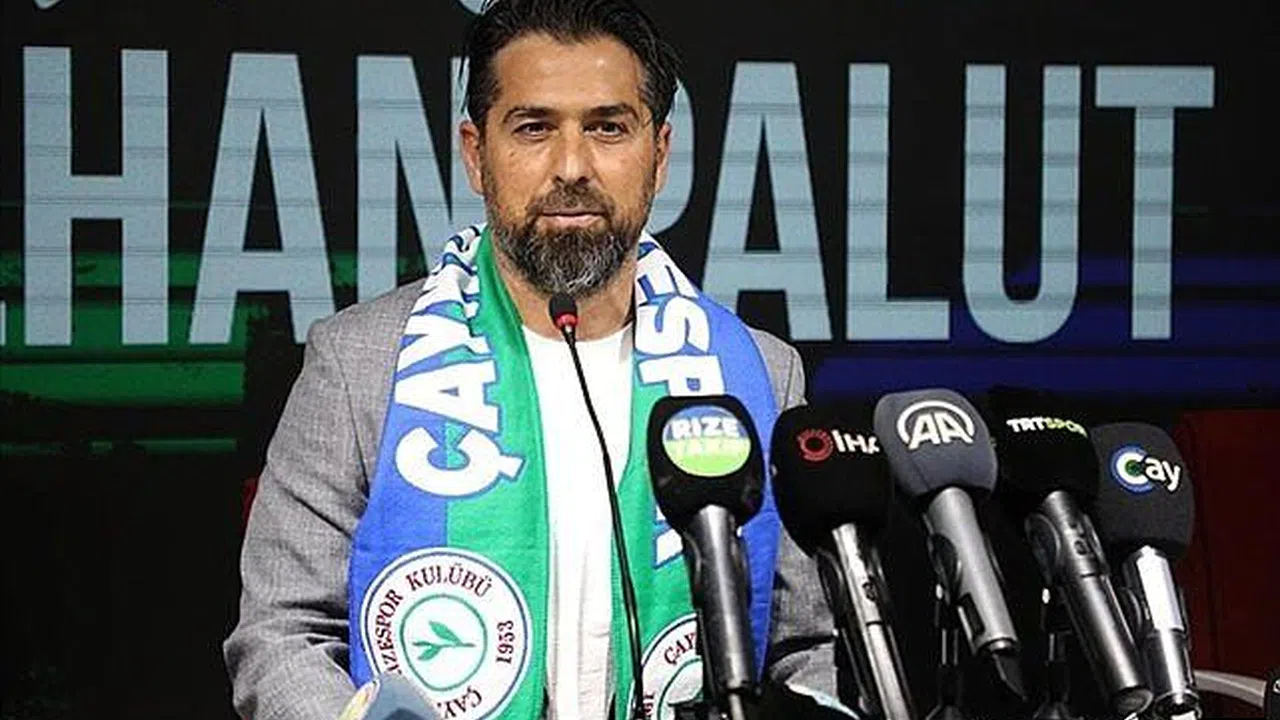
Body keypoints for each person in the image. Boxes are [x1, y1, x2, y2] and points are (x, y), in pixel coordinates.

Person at [224, 0, 842, 718]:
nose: (572, 166)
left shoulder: (757, 375)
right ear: (475, 153)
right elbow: (282, 634)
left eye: (608, 127)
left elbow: (807, 650)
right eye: (534, 128)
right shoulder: (359, 364)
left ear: (660, 154)